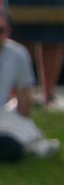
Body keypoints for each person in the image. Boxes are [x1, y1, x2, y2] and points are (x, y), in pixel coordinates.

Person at [0, 9, 57, 160]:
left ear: (9, 31)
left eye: (1, 30)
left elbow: (24, 95)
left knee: (27, 131)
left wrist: (21, 121)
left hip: (2, 115)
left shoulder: (18, 54)